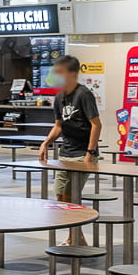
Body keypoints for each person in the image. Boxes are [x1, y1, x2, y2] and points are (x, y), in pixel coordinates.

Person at [38, 54, 101, 244]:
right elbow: (59, 126)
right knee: (61, 196)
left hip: (82, 154)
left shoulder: (84, 94)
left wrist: (90, 154)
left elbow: (96, 125)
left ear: (72, 74)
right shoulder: (59, 98)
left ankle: (74, 237)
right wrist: (45, 143)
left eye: (60, 72)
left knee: (72, 197)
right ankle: (77, 237)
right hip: (65, 154)